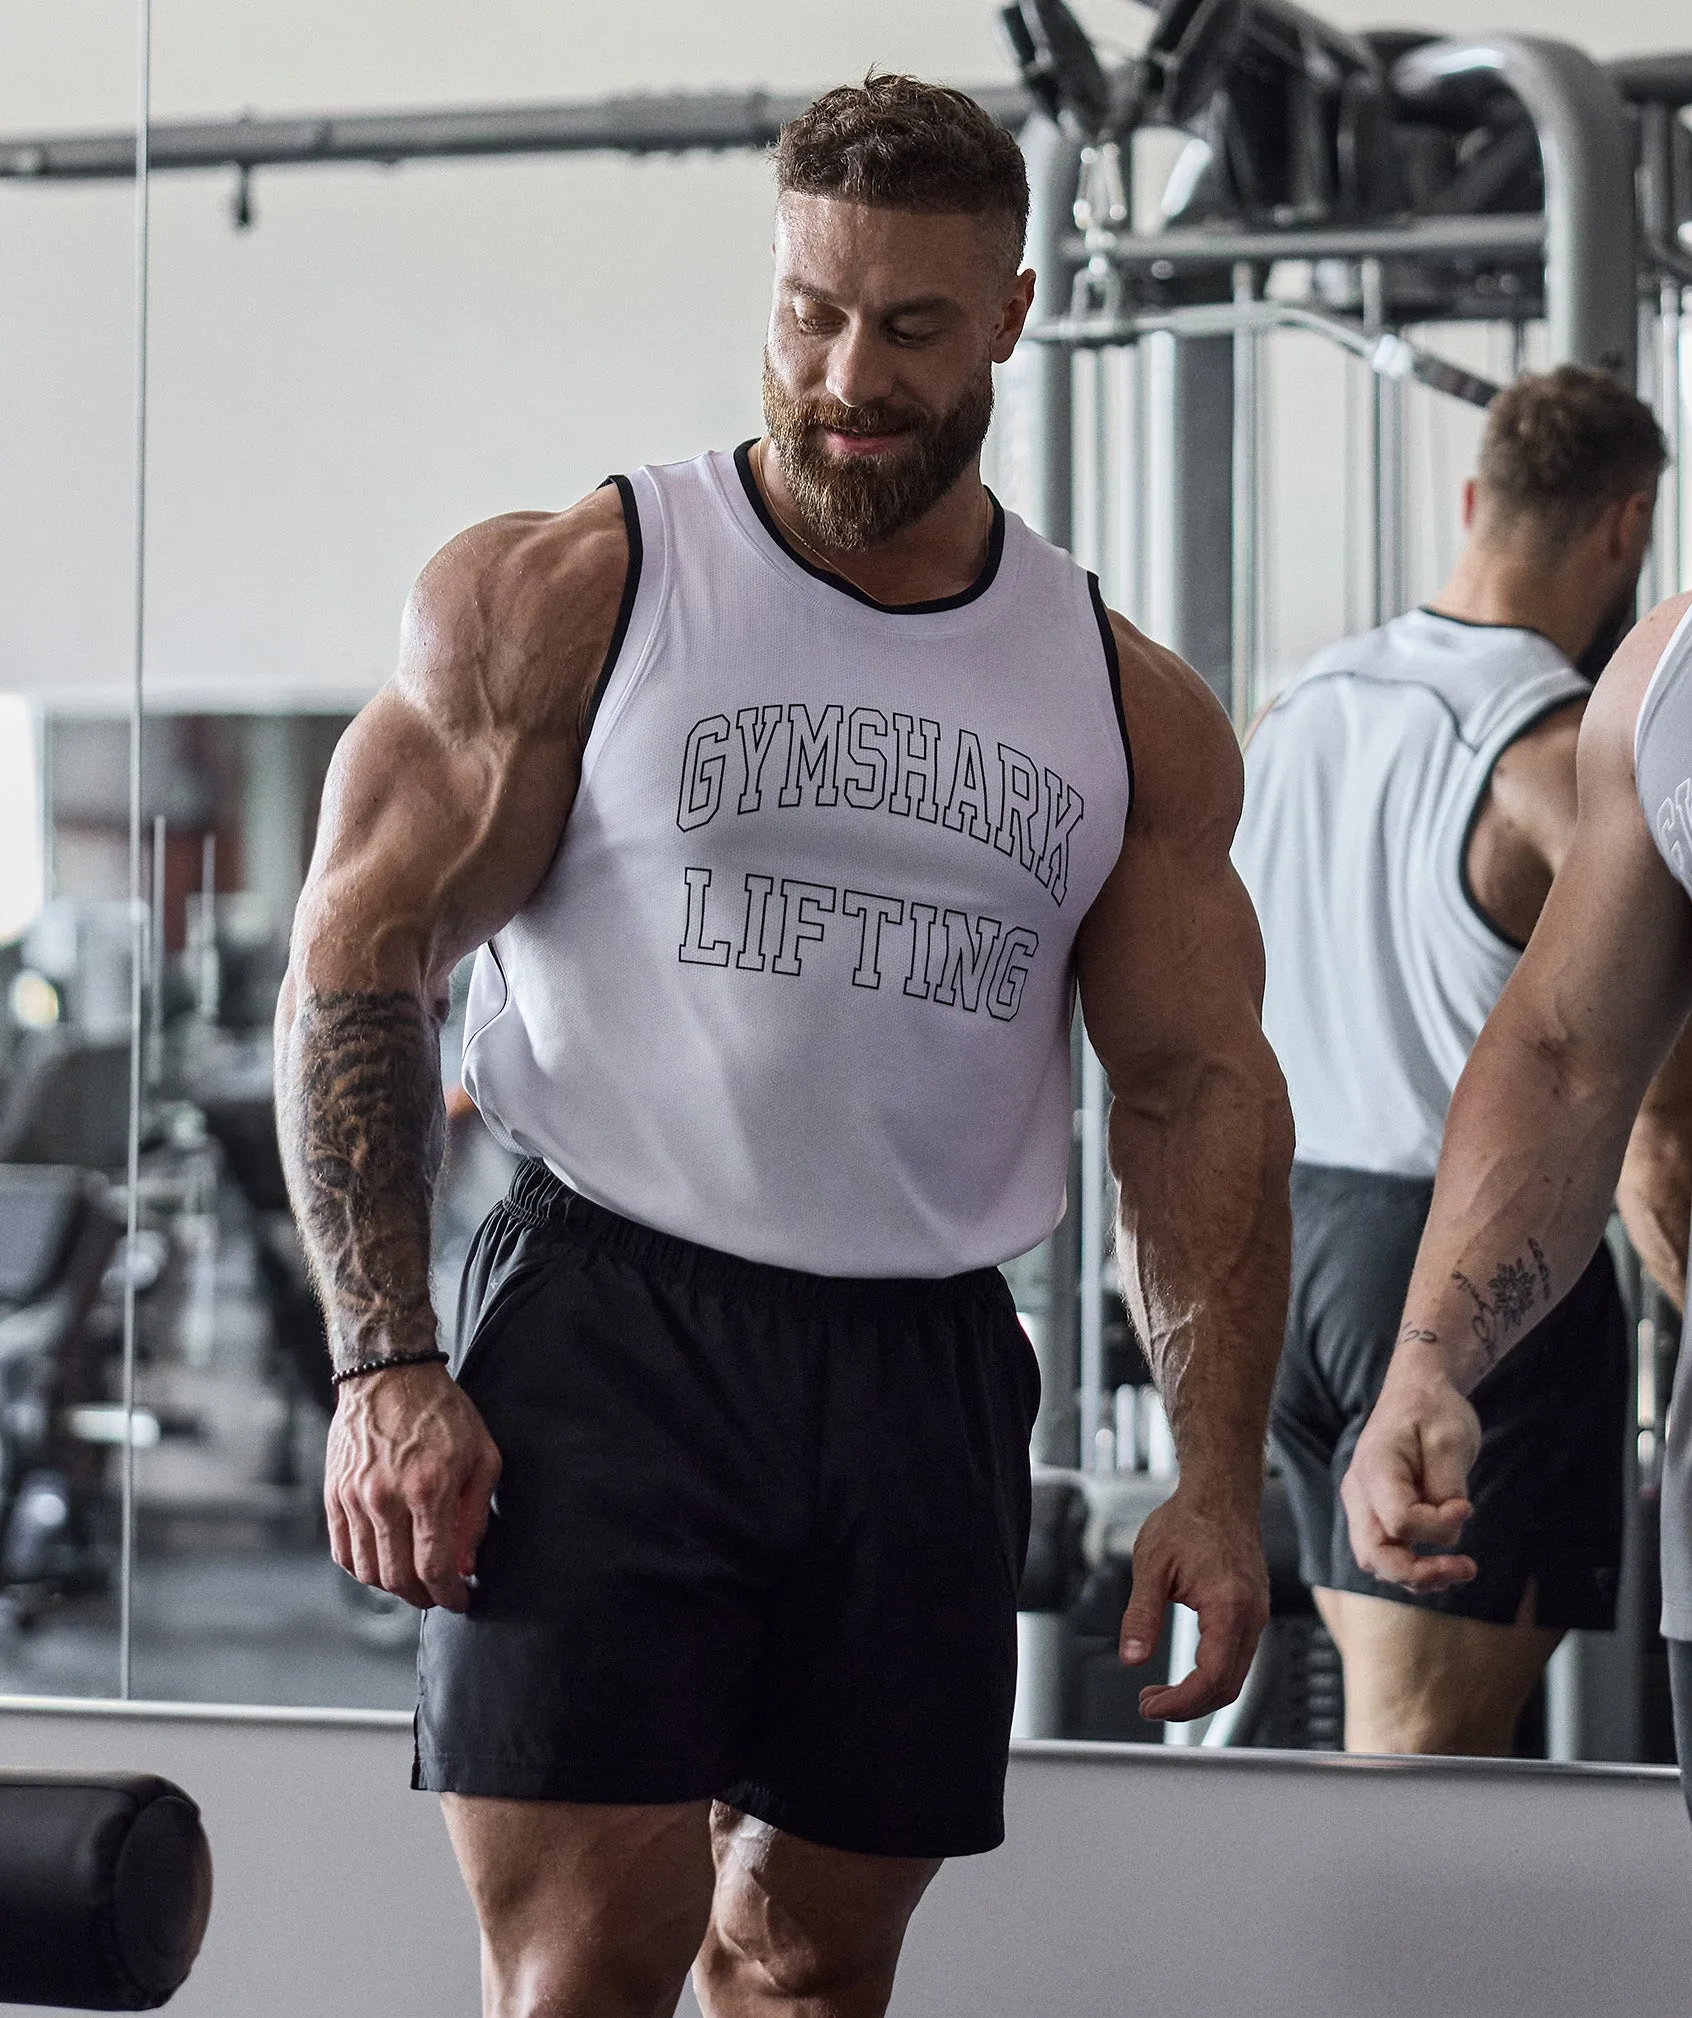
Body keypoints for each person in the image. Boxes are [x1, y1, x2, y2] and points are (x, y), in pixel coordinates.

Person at [276, 75, 1292, 2018]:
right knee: (585, 1966)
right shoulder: (578, 587)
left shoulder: (1121, 700)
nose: (849, 373)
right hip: (608, 1329)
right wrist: (387, 1357)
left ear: (1005, 317)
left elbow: (1192, 1093)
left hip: (922, 1371)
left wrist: (1216, 1477)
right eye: (810, 314)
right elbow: (362, 951)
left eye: (911, 328)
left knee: (815, 1965)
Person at [1232, 367, 1667, 1756]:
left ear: (1475, 500)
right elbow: (1644, 1108)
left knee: (1381, 1716)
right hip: (1459, 1264)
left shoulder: (1292, 710)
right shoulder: (1549, 751)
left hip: (1285, 1245)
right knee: (1422, 1750)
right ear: (1628, 526)